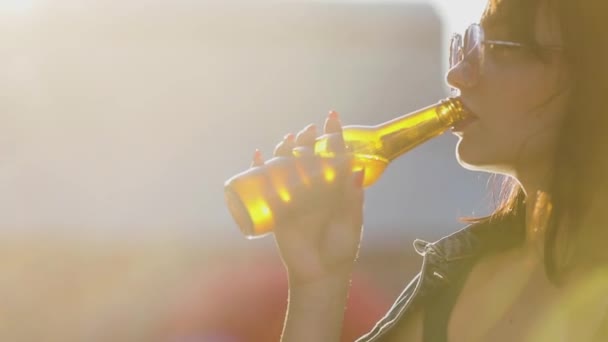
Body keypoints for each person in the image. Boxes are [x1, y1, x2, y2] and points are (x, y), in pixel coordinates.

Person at [248, 0, 608, 340]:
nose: (457, 73)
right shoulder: (456, 277)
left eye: (497, 48)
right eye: (465, 46)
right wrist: (318, 285)